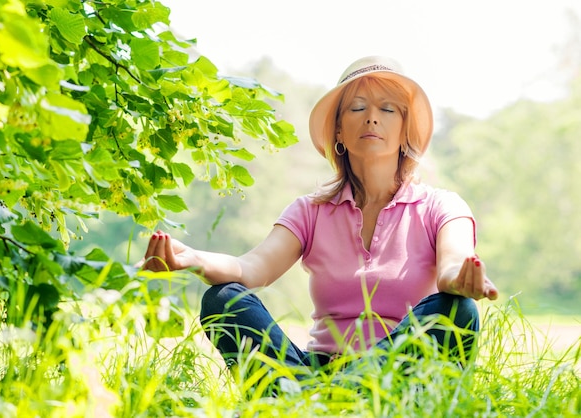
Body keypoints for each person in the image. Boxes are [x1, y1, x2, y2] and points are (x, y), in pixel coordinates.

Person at [141, 55, 498, 386]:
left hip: (396, 375)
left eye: (388, 109)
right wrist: (192, 259)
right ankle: (321, 396)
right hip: (316, 368)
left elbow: (454, 263)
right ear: (339, 131)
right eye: (358, 108)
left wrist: (460, 280)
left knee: (456, 309)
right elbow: (250, 267)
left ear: (406, 131)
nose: (372, 117)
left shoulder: (442, 206)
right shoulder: (310, 210)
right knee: (222, 299)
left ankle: (321, 399)